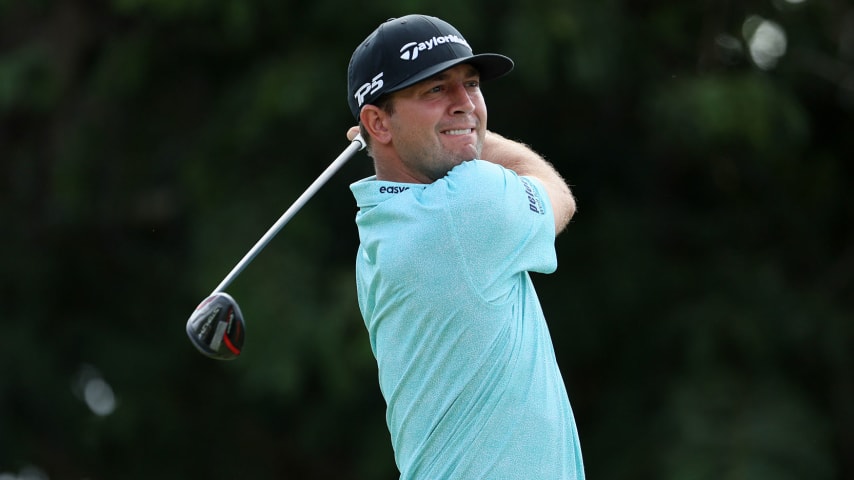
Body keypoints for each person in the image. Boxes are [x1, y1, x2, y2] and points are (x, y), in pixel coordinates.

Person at [345, 14, 584, 479]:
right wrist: (471, 132)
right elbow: (558, 195)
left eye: (470, 84)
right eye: (435, 89)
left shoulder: (377, 232)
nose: (464, 102)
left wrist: (448, 129)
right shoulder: (467, 206)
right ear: (377, 121)